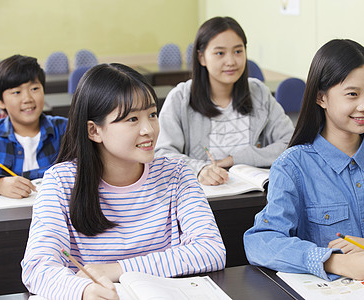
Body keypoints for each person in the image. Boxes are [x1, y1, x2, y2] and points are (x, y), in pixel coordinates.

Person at [21, 63, 226, 299]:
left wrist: (116, 269)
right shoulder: (61, 182)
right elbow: (37, 267)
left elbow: (211, 250)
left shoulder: (176, 173)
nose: (148, 129)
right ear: (94, 131)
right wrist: (84, 290)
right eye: (132, 119)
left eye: (152, 114)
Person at [244, 39, 364, 281]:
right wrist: (337, 262)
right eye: (352, 94)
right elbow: (261, 241)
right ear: (321, 98)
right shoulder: (293, 166)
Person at [155, 17, 294, 186]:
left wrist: (234, 159)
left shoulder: (258, 93)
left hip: (257, 195)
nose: (231, 61)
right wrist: (199, 169)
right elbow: (163, 153)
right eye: (220, 53)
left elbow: (290, 143)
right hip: (203, 199)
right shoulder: (181, 98)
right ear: (201, 58)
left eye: (238, 51)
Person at [0, 55, 67, 198]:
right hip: (7, 219)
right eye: (17, 92)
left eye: (35, 88)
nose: (28, 99)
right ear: (0, 101)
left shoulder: (64, 129)